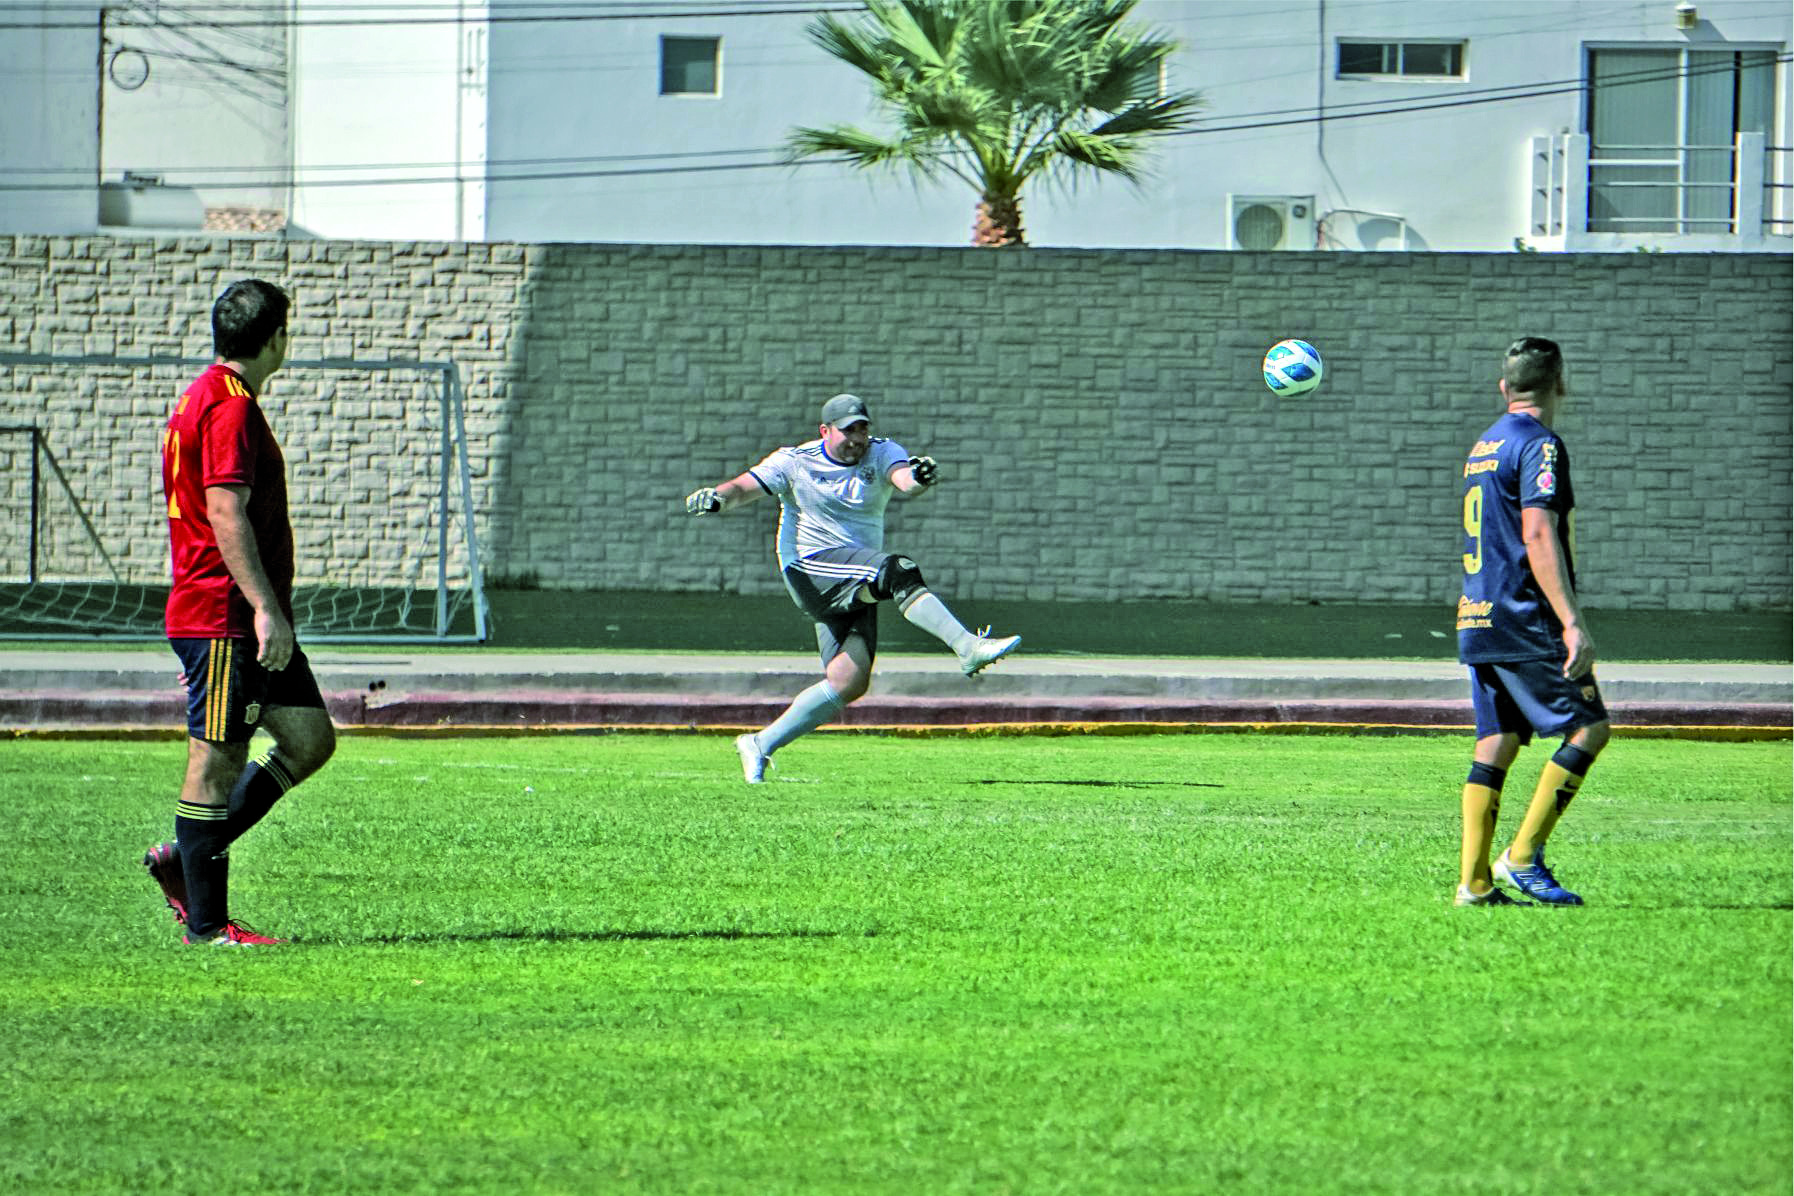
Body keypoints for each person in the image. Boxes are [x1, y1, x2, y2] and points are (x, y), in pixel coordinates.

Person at [684, 393, 1020, 783]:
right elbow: (743, 488)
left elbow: (905, 481)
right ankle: (967, 647)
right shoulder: (795, 461)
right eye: (848, 430)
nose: (857, 439)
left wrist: (920, 478)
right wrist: (717, 498)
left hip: (855, 574)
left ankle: (760, 743)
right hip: (811, 568)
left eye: (862, 429)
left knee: (849, 681)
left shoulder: (883, 452)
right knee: (899, 571)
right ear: (825, 431)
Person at [142, 278, 337, 946]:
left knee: (309, 739)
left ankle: (185, 859)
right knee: (217, 761)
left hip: (233, 615)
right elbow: (225, 510)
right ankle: (207, 927)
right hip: (225, 615)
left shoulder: (206, 394)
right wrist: (264, 608)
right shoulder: (229, 407)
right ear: (275, 337)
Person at [1454, 337, 1610, 907]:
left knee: (1496, 742)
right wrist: (1571, 621)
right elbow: (1538, 532)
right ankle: (1521, 858)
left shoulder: (1486, 444)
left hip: (1478, 614)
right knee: (1588, 728)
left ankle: (1474, 885)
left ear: (1504, 387)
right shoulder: (1540, 445)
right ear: (1560, 383)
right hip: (1525, 616)